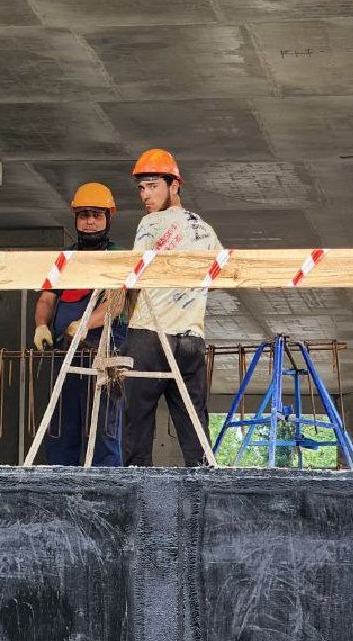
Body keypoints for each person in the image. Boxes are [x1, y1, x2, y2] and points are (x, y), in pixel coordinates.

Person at [119, 149, 219, 467]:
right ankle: (204, 493)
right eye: (142, 188)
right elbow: (218, 277)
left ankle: (137, 492)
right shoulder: (205, 229)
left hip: (149, 336)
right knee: (195, 429)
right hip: (191, 341)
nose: (145, 195)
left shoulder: (150, 223)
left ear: (174, 185)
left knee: (137, 424)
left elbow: (132, 277)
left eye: (153, 186)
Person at [32, 182, 125, 466]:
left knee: (103, 426)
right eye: (84, 215)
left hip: (103, 352)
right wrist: (41, 325)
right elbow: (46, 299)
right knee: (61, 425)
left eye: (96, 215)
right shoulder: (65, 259)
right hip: (65, 351)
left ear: (108, 217)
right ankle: (61, 485)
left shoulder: (119, 257)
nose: (90, 221)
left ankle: (108, 485)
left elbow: (115, 303)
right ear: (76, 218)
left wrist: (86, 324)